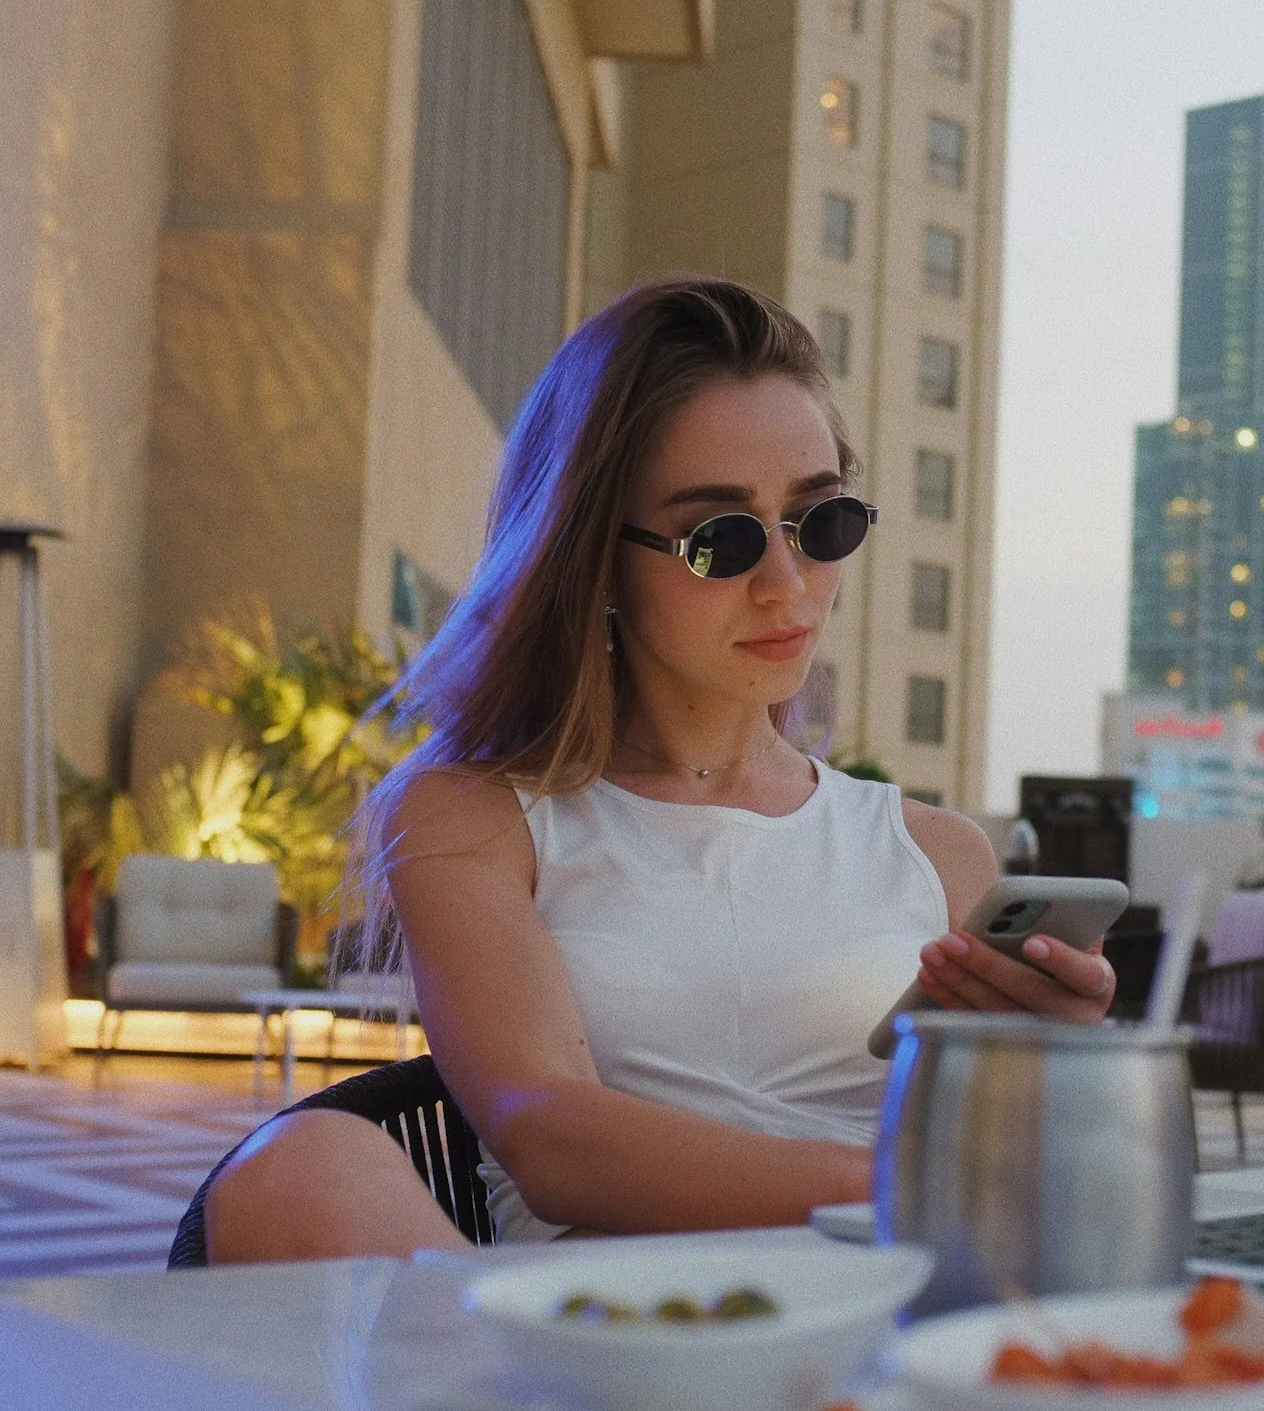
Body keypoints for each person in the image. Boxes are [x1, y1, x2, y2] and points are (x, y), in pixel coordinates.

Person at [205, 278, 1114, 1262]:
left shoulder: (936, 852)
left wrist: (1058, 1066)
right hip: (600, 1337)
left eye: (822, 522)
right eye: (720, 539)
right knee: (296, 1163)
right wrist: (898, 1185)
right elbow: (552, 1139)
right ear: (592, 555)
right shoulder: (472, 817)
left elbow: (1025, 1175)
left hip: (881, 1307)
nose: (787, 582)